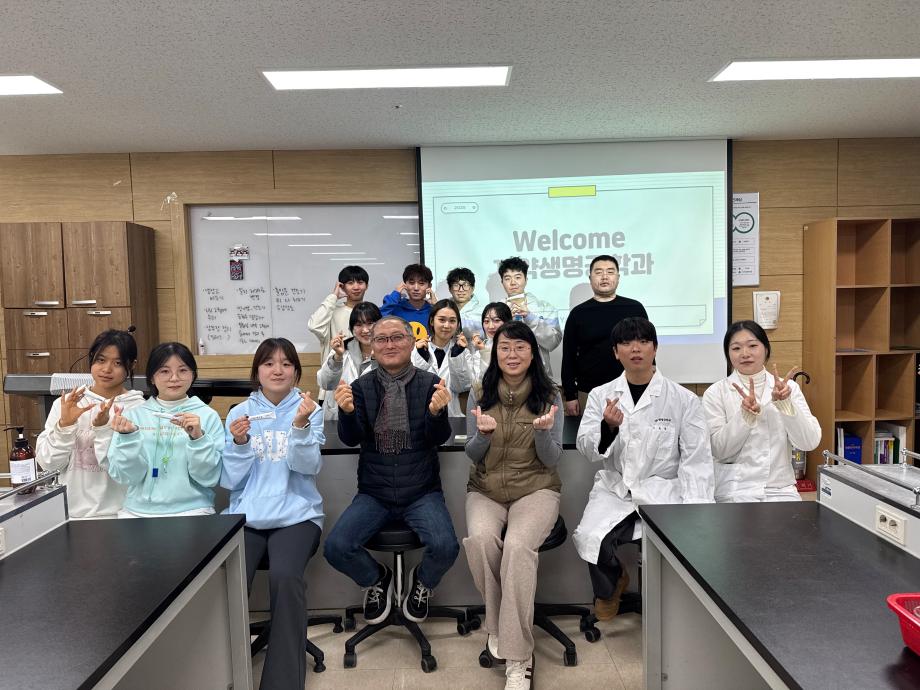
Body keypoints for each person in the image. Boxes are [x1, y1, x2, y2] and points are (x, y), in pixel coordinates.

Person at [573, 317, 713, 620]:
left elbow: (697, 460)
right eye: (626, 343)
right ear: (616, 352)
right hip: (616, 489)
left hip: (663, 490)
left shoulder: (684, 400)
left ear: (655, 349)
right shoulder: (601, 395)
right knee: (589, 537)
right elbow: (586, 449)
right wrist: (608, 428)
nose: (635, 348)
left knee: (675, 547)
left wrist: (698, 511)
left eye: (643, 341)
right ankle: (611, 586)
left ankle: (670, 611)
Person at [323, 316, 460, 625]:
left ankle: (422, 582)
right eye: (381, 339)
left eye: (397, 337)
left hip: (422, 492)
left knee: (446, 547)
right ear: (372, 346)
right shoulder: (361, 387)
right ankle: (377, 579)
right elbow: (351, 438)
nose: (390, 344)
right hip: (375, 493)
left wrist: (437, 413)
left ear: (411, 343)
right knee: (336, 547)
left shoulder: (430, 384)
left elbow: (439, 438)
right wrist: (346, 412)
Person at [463, 321, 563, 690]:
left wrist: (542, 433)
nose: (512, 354)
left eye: (520, 347)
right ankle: (501, 626)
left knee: (518, 548)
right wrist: (483, 436)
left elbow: (552, 459)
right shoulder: (480, 391)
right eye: (505, 347)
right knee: (480, 541)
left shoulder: (549, 395)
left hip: (536, 489)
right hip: (486, 489)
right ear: (496, 353)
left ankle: (518, 659)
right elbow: (471, 453)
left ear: (533, 353)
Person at [221, 338, 325, 690]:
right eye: (269, 363)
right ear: (257, 372)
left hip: (297, 514)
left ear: (296, 371)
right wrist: (239, 444)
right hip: (247, 515)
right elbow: (230, 480)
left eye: (285, 363)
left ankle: (283, 683)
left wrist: (300, 426)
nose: (277, 370)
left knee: (284, 576)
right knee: (230, 581)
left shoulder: (310, 409)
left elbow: (308, 467)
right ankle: (221, 672)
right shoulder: (239, 413)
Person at [703, 320, 821, 502]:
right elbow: (719, 450)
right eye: (736, 348)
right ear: (728, 354)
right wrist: (744, 417)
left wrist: (786, 405)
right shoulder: (716, 392)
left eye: (752, 345)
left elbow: (809, 442)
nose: (745, 354)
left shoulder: (788, 389)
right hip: (734, 490)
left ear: (766, 349)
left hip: (780, 489)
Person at [35, 329, 145, 518]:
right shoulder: (67, 404)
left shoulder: (138, 409)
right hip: (72, 515)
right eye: (101, 360)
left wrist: (105, 429)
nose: (106, 369)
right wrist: (65, 425)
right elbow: (48, 464)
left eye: (118, 363)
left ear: (132, 365)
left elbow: (135, 472)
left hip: (122, 515)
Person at [107, 342, 224, 517]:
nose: (174, 378)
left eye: (183, 370)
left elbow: (210, 478)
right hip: (137, 513)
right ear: (152, 378)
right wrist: (128, 438)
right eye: (164, 371)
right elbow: (126, 477)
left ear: (193, 374)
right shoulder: (133, 416)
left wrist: (198, 438)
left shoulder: (207, 416)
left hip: (193, 511)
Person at [561, 255, 648, 416]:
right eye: (599, 272)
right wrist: (570, 395)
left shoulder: (635, 308)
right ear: (590, 278)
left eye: (610, 272)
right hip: (589, 391)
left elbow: (648, 349)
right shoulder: (578, 313)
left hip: (631, 389)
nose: (604, 276)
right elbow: (568, 357)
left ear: (618, 277)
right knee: (591, 432)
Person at [497, 256, 562, 380]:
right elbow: (491, 344)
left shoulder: (545, 307)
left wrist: (530, 318)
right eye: (507, 278)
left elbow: (553, 342)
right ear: (502, 282)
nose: (513, 282)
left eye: (518, 277)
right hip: (504, 376)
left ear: (526, 280)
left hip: (539, 376)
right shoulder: (495, 311)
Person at [317, 301, 381, 420]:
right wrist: (337, 357)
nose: (365, 330)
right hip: (339, 417)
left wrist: (376, 362)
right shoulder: (342, 349)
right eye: (359, 324)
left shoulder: (389, 351)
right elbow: (325, 384)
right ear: (351, 328)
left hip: (374, 417)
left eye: (370, 323)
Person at [411, 299, 472, 417]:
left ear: (458, 324)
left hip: (452, 416)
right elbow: (414, 386)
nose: (446, 325)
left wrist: (456, 357)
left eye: (452, 321)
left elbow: (462, 387)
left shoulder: (463, 352)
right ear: (432, 321)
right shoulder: (416, 350)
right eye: (442, 320)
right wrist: (422, 357)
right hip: (421, 416)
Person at [307, 265, 369, 367]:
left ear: (367, 286)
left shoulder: (371, 312)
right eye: (350, 283)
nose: (356, 287)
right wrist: (334, 296)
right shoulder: (332, 312)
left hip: (365, 372)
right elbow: (314, 326)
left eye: (360, 282)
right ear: (342, 286)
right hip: (335, 371)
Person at [380, 263, 436, 335]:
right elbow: (379, 321)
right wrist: (396, 294)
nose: (416, 288)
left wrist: (437, 306)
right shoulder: (396, 308)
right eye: (411, 283)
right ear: (404, 285)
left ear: (429, 286)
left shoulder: (433, 310)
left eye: (421, 283)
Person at [470, 302, 514, 381]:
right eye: (486, 321)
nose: (491, 326)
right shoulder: (481, 349)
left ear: (508, 321)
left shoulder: (518, 347)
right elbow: (481, 380)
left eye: (496, 320)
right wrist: (483, 351)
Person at [446, 266, 482, 344]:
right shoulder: (444, 310)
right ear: (450, 289)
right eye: (456, 285)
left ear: (472, 288)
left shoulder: (482, 312)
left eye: (466, 285)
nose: (461, 290)